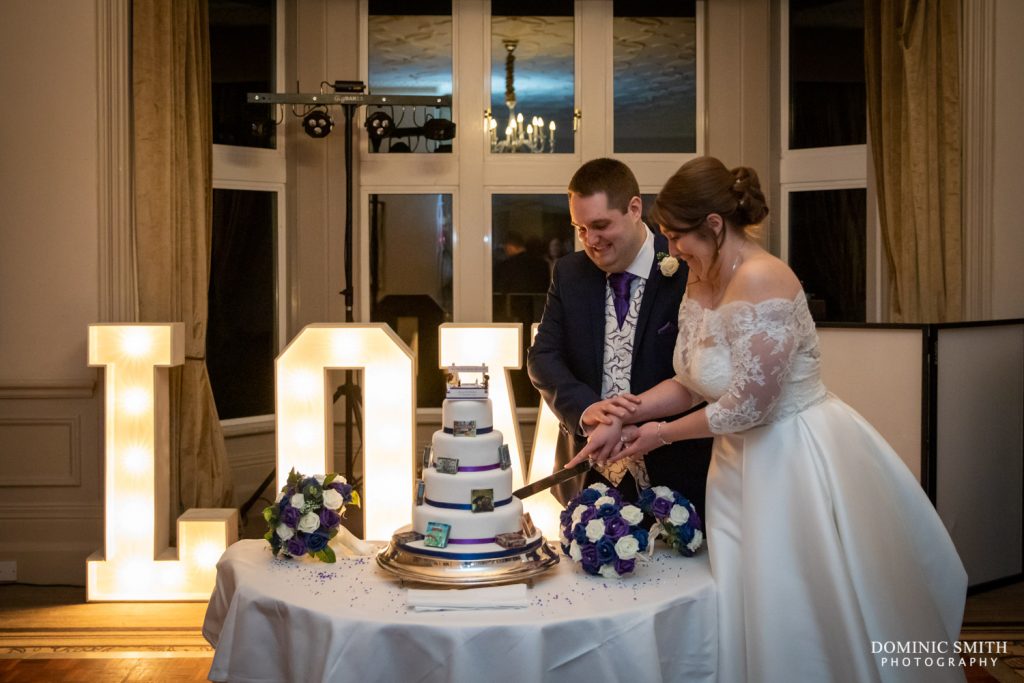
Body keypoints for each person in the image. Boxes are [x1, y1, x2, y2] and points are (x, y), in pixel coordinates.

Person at [569, 156, 968, 682]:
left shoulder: (765, 279)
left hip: (792, 458)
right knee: (745, 598)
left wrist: (656, 435)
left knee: (795, 600)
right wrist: (629, 412)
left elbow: (748, 405)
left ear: (714, 226)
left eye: (676, 236)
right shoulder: (699, 279)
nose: (670, 249)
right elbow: (692, 381)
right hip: (736, 465)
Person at [528, 158, 713, 512]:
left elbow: (700, 373)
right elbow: (543, 358)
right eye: (580, 228)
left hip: (676, 474)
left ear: (634, 208)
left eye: (600, 225)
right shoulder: (569, 272)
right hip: (589, 477)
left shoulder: (685, 267)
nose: (590, 240)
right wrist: (588, 410)